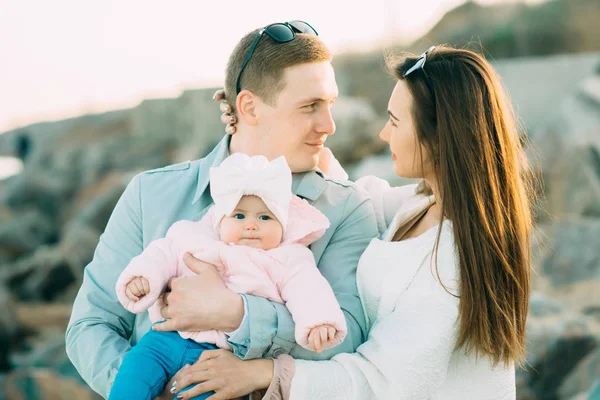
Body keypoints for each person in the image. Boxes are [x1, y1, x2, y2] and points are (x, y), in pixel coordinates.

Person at [172, 45, 533, 400]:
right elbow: (356, 196)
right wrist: (251, 122)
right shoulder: (421, 204)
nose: (383, 134)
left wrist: (262, 373)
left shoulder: (448, 264)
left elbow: (379, 384)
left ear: (440, 137)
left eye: (394, 121)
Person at [65, 20, 380, 400]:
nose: (328, 125)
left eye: (329, 104)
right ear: (248, 106)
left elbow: (347, 342)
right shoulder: (152, 193)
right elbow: (91, 323)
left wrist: (238, 315)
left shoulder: (345, 209)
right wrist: (156, 390)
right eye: (310, 106)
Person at [108, 153, 347, 400]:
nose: (251, 225)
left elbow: (308, 290)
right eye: (239, 216)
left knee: (205, 393)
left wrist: (319, 322)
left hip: (221, 356)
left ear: (283, 225)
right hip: (163, 340)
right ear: (220, 220)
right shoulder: (193, 237)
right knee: (133, 373)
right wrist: (143, 278)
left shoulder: (288, 258)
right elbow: (160, 255)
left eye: (265, 217)